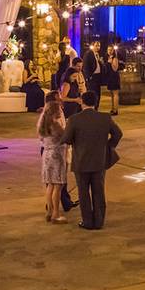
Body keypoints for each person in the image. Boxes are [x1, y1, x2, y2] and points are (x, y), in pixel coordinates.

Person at [61, 91, 123, 230]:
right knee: (99, 191)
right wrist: (108, 146)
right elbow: (118, 134)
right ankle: (99, 221)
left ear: (82, 102)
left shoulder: (74, 119)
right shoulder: (105, 118)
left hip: (81, 161)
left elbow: (66, 139)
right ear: (95, 103)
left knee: (83, 193)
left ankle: (87, 221)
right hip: (99, 161)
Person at [37, 92, 68, 224]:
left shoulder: (42, 124)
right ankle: (56, 213)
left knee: (49, 185)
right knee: (58, 185)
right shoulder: (55, 125)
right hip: (57, 155)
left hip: (46, 155)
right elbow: (66, 137)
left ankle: (49, 211)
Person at [82, 41, 103, 107]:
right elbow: (85, 66)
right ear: (92, 45)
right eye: (96, 45)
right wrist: (88, 77)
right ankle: (92, 107)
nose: (98, 47)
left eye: (99, 46)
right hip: (92, 77)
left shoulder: (96, 54)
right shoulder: (88, 53)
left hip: (98, 77)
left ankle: (96, 107)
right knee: (92, 93)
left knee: (98, 93)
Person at [102, 44, 122, 115]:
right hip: (110, 77)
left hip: (114, 77)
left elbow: (115, 69)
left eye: (111, 50)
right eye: (108, 50)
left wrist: (110, 63)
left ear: (113, 51)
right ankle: (113, 108)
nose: (109, 51)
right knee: (112, 94)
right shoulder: (108, 58)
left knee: (115, 93)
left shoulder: (114, 58)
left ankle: (115, 110)